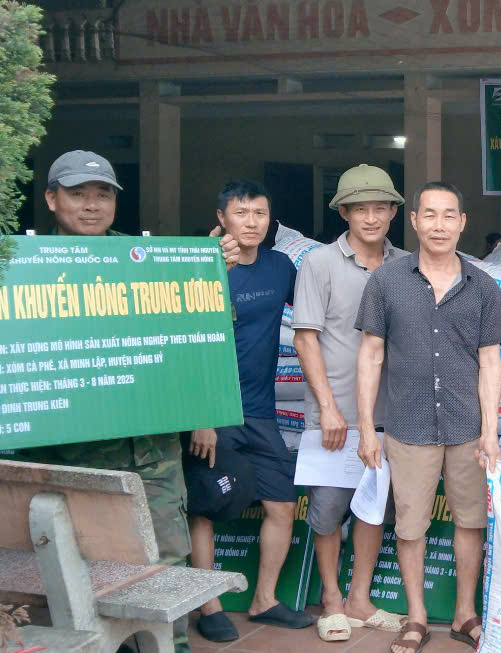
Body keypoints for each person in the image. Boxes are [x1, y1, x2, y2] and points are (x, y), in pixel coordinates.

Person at [21, 150, 239, 653]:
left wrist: (208, 273)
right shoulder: (23, 266)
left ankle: (169, 646)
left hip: (151, 453)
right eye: (77, 194)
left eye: (102, 195)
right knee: (78, 564)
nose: (91, 205)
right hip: (71, 458)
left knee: (166, 558)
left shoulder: (147, 261)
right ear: (51, 199)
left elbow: (199, 339)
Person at [354, 181, 501, 653]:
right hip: (409, 425)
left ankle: (464, 614)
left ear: (462, 223)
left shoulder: (482, 286)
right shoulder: (386, 282)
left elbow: (490, 363)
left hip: (466, 428)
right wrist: (367, 428)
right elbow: (371, 356)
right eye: (430, 215)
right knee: (410, 526)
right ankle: (417, 617)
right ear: (415, 221)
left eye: (448, 215)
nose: (439, 225)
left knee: (471, 523)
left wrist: (491, 433)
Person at [292, 165, 410, 642]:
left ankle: (360, 599)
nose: (371, 217)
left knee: (373, 507)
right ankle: (331, 600)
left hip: (390, 414)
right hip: (336, 414)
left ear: (394, 212)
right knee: (327, 510)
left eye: (380, 207)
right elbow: (305, 339)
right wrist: (328, 408)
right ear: (343, 212)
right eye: (360, 209)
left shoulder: (407, 265)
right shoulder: (319, 264)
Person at [187, 180, 310, 641]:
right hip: (213, 410)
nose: (252, 222)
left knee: (282, 504)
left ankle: (265, 600)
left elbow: (315, 316)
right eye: (241, 213)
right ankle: (209, 605)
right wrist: (201, 416)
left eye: (260, 213)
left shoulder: (280, 267)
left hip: (260, 412)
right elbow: (186, 345)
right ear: (222, 218)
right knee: (205, 507)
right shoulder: (202, 269)